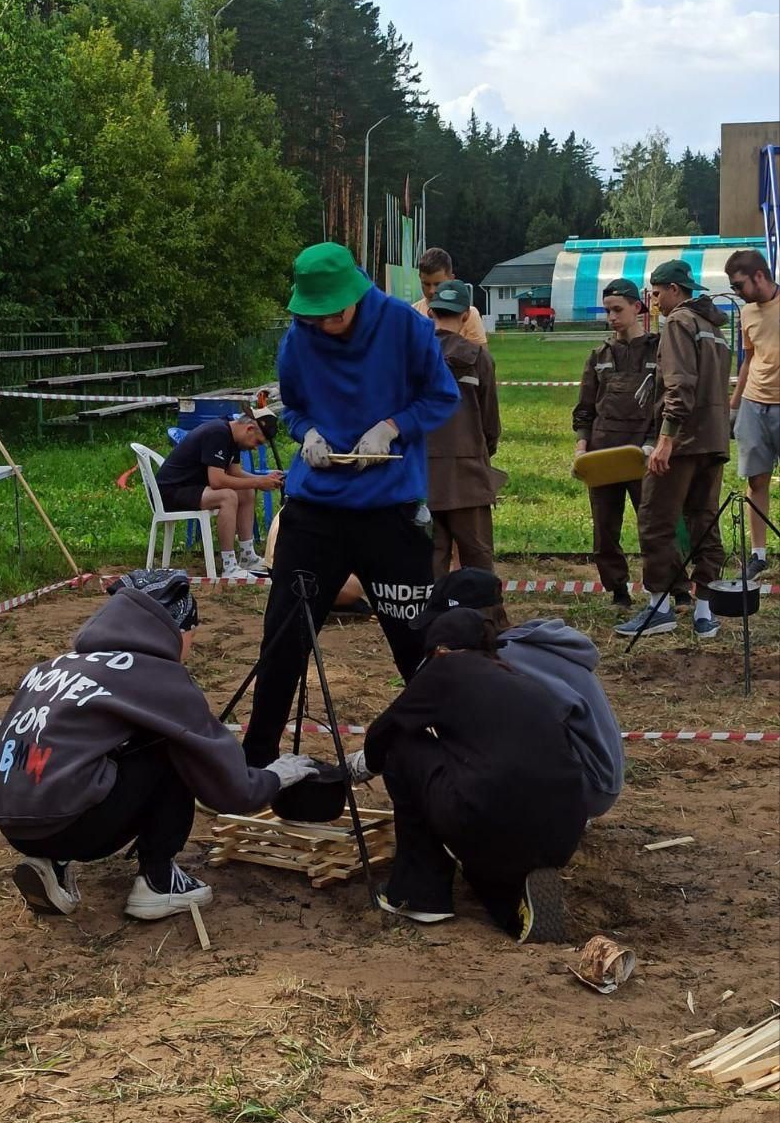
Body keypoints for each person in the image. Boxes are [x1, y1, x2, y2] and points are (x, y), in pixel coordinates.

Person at [0, 569, 317, 919]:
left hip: (14, 824)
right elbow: (230, 789)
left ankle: (50, 863)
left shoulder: (57, 665)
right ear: (175, 629)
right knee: (174, 745)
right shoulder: (157, 677)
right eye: (192, 632)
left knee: (104, 748)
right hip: (71, 826)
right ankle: (159, 881)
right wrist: (276, 776)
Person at [241, 242, 459, 768]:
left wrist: (393, 427)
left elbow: (441, 395)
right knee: (284, 638)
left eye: (330, 315)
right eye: (310, 317)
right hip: (316, 510)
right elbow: (293, 407)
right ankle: (254, 763)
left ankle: (453, 756)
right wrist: (306, 432)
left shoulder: (406, 329)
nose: (322, 326)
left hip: (391, 505)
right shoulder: (299, 339)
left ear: (355, 296)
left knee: (415, 641)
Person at [346, 608, 586, 941]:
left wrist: (359, 768)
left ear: (440, 649)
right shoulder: (521, 682)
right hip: (564, 828)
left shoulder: (446, 667)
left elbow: (385, 731)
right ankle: (513, 905)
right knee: (476, 800)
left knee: (402, 746)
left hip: (488, 814)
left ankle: (419, 893)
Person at [401, 567, 624, 819]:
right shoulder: (529, 644)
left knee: (435, 749)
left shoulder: (500, 663)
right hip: (600, 779)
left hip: (585, 786)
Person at [616, 261, 731, 640]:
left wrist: (666, 438)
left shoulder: (679, 323)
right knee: (704, 521)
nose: (654, 300)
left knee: (656, 519)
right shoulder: (714, 328)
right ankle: (704, 613)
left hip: (683, 441)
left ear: (675, 290)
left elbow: (679, 386)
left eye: (658, 291)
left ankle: (659, 609)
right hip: (714, 440)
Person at [572, 279, 660, 606]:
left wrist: (654, 443)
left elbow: (665, 404)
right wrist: (582, 446)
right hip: (604, 455)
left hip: (643, 454)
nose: (612, 317)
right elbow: (584, 408)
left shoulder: (658, 351)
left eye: (618, 309)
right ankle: (618, 590)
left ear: (637, 307)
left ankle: (671, 589)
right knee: (605, 529)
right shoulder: (598, 356)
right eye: (607, 310)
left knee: (654, 526)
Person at [426, 280, 502, 575]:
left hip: (422, 475)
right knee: (477, 561)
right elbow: (490, 422)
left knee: (429, 563)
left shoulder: (411, 357)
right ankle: (483, 618)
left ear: (431, 312)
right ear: (466, 315)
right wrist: (482, 454)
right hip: (468, 475)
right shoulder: (479, 357)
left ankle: (426, 620)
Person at [155, 408, 282, 580]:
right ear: (249, 429)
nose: (254, 447)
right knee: (227, 496)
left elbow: (235, 473)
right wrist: (259, 482)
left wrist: (263, 479)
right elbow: (217, 481)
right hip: (171, 492)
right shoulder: (218, 433)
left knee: (246, 491)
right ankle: (229, 566)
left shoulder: (232, 436)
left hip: (190, 488)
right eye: (258, 442)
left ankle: (247, 556)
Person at [726, 249, 779, 579]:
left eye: (738, 285)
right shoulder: (747, 313)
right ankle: (758, 555)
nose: (736, 292)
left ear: (759, 275)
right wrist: (734, 406)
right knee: (756, 479)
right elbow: (748, 359)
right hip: (753, 404)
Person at [413, 247, 487, 344]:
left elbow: (481, 357)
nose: (431, 291)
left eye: (438, 284)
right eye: (426, 284)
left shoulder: (469, 314)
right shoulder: (412, 313)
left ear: (451, 279)